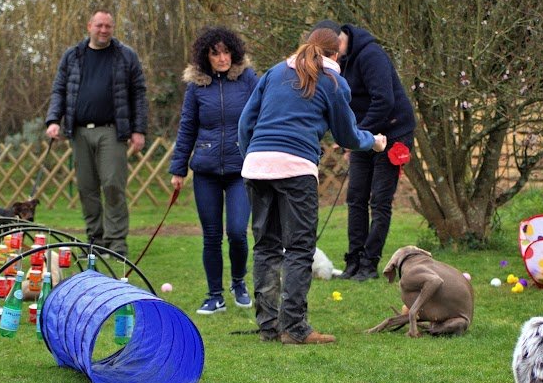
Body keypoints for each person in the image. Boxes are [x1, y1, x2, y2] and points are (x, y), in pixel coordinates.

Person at [238, 28, 387, 344]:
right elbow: (346, 135)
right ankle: (293, 327)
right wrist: (372, 142)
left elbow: (245, 123)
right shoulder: (332, 81)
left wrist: (251, 156)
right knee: (298, 247)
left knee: (266, 246)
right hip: (295, 169)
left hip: (256, 166)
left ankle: (268, 326)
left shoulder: (275, 72)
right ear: (336, 55)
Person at [312, 20, 416, 281]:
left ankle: (370, 263)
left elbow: (384, 100)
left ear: (342, 37)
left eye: (335, 47)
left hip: (393, 133)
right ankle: (354, 260)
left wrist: (356, 134)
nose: (332, 54)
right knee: (355, 198)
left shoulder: (372, 55)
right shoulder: (340, 63)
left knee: (379, 201)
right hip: (364, 136)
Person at [169, 26, 258, 315]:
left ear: (234, 52)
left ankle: (238, 283)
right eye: (214, 53)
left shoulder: (248, 80)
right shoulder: (196, 86)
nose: (221, 58)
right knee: (211, 235)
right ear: (205, 57)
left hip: (239, 170)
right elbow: (187, 128)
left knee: (236, 231)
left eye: (226, 52)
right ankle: (214, 295)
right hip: (205, 170)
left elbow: (262, 116)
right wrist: (178, 168)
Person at [45, 9, 147, 258]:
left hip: (112, 132)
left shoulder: (125, 56)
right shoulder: (73, 56)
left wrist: (139, 130)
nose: (104, 30)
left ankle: (116, 243)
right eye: (99, 25)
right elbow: (59, 90)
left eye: (108, 26)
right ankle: (95, 242)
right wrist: (53, 120)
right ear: (89, 26)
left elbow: (139, 93)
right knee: (87, 188)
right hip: (79, 132)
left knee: (113, 185)